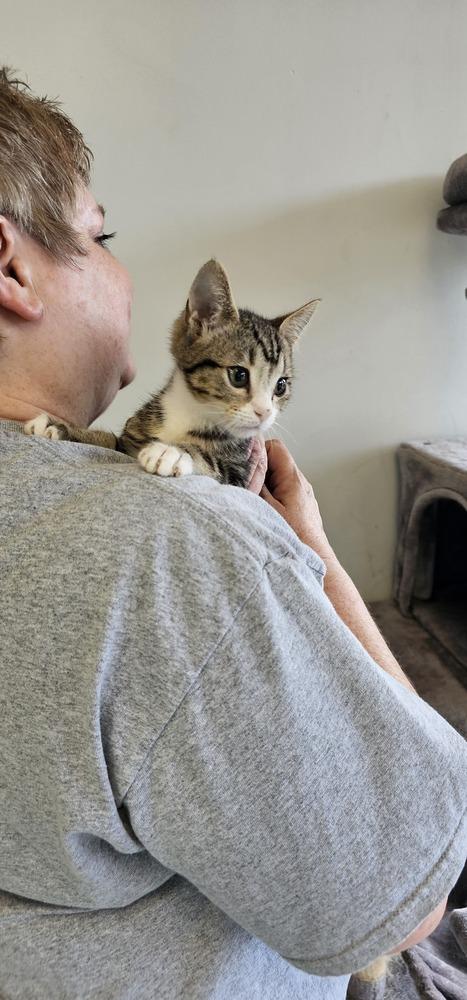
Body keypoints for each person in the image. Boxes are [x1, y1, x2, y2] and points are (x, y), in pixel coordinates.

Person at [0, 66, 465, 1000]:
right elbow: (412, 888)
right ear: (12, 270)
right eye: (104, 236)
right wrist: (315, 554)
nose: (127, 275)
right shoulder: (171, 555)